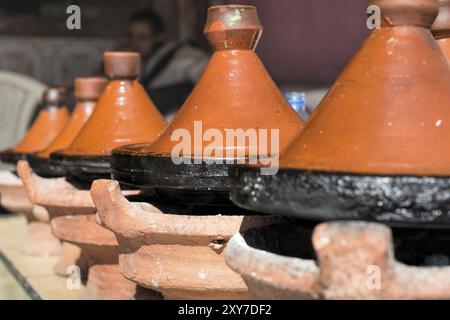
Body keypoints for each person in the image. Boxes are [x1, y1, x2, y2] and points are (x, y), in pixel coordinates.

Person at [127, 9, 209, 117]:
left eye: (143, 38)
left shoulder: (182, 56)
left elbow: (210, 76)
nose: (135, 43)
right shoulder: (142, 62)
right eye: (132, 37)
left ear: (159, 37)